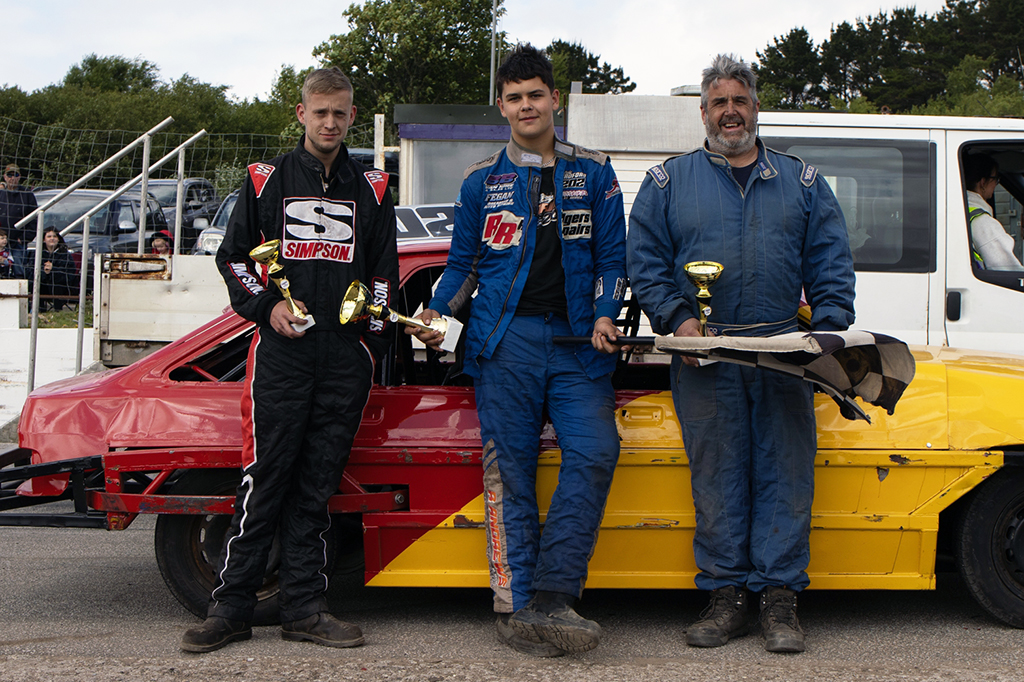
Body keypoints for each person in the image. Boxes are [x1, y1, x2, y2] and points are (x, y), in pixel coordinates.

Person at [626, 54, 855, 654]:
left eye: (740, 100)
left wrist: (826, 335)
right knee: (717, 477)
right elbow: (645, 262)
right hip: (706, 359)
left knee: (785, 475)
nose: (731, 112)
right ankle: (725, 597)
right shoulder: (667, 183)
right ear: (703, 113)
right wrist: (679, 320)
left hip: (783, 357)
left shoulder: (802, 183)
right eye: (719, 102)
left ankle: (780, 600)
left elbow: (831, 262)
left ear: (756, 108)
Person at [409, 44, 627, 657]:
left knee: (596, 451)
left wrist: (606, 313)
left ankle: (554, 597)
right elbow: (461, 267)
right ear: (501, 107)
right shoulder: (481, 180)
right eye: (514, 97)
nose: (526, 105)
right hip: (505, 345)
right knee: (510, 474)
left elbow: (614, 260)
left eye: (536, 94)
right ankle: (514, 605)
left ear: (555, 99)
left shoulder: (596, 172)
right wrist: (437, 311)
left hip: (579, 344)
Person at [182, 67, 399, 654]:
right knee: (266, 479)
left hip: (344, 359)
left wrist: (369, 345)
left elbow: (384, 274)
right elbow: (235, 259)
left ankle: (304, 609)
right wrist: (268, 306)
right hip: (282, 356)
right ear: (301, 113)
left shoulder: (374, 187)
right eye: (319, 112)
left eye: (340, 113)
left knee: (316, 487)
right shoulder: (265, 179)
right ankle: (229, 609)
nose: (330, 122)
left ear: (352, 116)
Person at [963, 154, 1023, 270]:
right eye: (995, 179)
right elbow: (1008, 270)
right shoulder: (982, 222)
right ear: (983, 182)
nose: (996, 184)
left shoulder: (958, 209)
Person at [0, 163, 38, 278]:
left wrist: (24, 237)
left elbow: (34, 217)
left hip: (18, 242)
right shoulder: (1, 194)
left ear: (19, 176)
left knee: (19, 272)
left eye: (15, 175)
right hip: (1, 242)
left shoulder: (27, 194)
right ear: (4, 176)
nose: (12, 178)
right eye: (9, 175)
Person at [33, 227, 77, 311]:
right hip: (43, 284)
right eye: (49, 236)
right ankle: (39, 311)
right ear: (44, 239)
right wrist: (45, 272)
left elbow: (70, 273)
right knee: (38, 285)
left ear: (58, 239)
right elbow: (31, 271)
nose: (52, 238)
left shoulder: (65, 254)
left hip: (62, 286)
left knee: (57, 286)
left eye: (54, 236)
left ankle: (58, 311)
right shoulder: (37, 254)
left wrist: (53, 270)